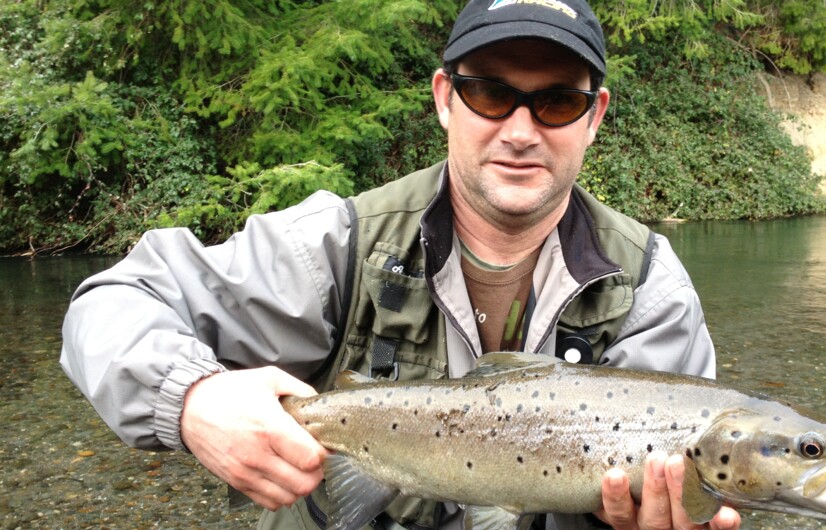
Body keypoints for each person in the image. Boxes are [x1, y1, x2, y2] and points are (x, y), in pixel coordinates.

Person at [61, 1, 742, 529]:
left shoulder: (649, 290)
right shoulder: (337, 245)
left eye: (557, 100)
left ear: (595, 117)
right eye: (490, 93)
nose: (521, 129)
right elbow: (115, 299)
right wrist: (192, 399)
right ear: (445, 98)